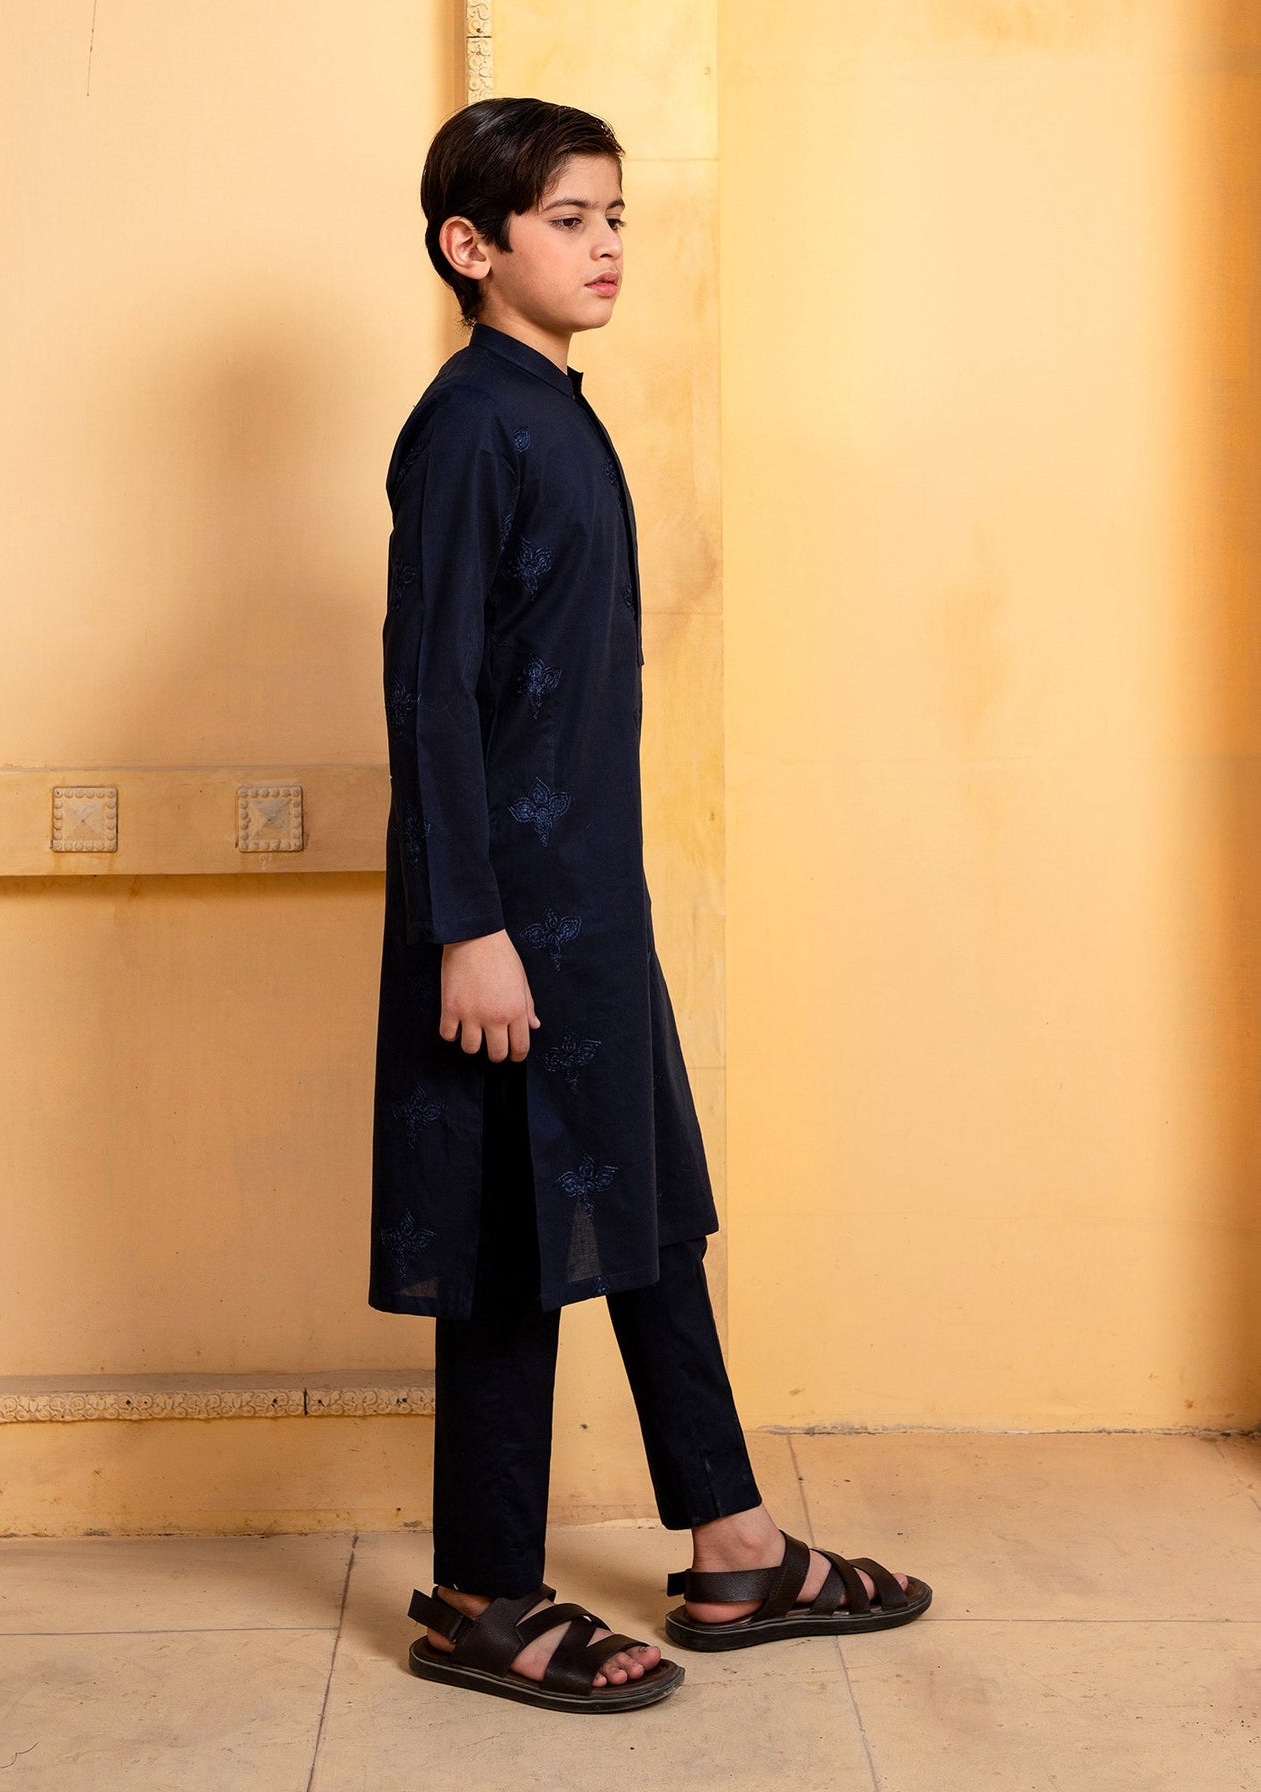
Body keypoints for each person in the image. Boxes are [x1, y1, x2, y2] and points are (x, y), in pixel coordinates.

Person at [371, 95, 931, 1714]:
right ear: (471, 245)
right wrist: (467, 927)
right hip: (504, 927)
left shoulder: (553, 407)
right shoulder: (468, 423)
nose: (606, 245)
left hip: (586, 914)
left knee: (645, 1213)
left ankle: (734, 1545)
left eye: (614, 215)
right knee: (509, 1235)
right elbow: (431, 694)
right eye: (566, 219)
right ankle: (480, 1595)